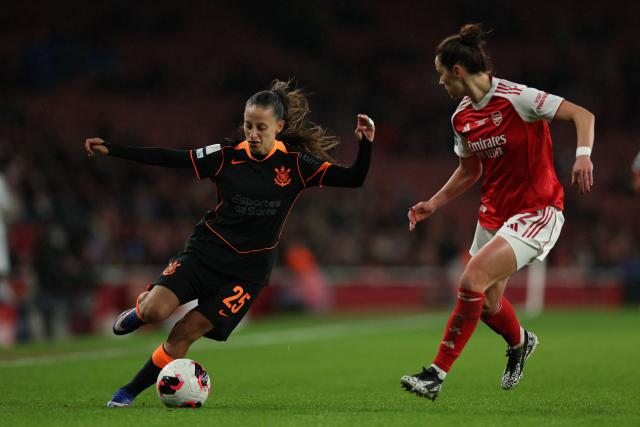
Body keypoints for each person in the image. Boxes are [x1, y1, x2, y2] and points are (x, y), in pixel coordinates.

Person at [84, 80, 375, 407]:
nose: (252, 133)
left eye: (261, 127)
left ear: (278, 127)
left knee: (184, 332)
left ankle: (127, 393)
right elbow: (172, 158)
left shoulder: (296, 165)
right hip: (205, 253)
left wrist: (365, 145)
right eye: (248, 125)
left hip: (246, 274)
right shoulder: (224, 156)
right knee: (155, 311)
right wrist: (114, 149)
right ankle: (140, 310)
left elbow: (354, 179)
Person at [400, 24, 595, 400]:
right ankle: (521, 342)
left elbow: (583, 115)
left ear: (458, 71)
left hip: (537, 209)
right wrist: (434, 203)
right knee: (487, 303)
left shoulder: (517, 97)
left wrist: (582, 156)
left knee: (470, 279)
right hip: (493, 213)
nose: (441, 83)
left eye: (442, 75)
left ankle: (435, 374)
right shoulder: (461, 118)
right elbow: (470, 170)